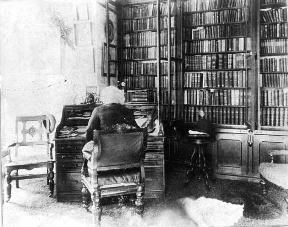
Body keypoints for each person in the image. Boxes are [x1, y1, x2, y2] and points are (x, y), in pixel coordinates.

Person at [82, 86, 139, 161]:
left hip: (104, 158)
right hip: (125, 157)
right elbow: (137, 132)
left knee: (87, 150)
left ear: (104, 97)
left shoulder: (98, 110)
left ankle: (87, 169)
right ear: (120, 97)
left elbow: (89, 132)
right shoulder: (127, 111)